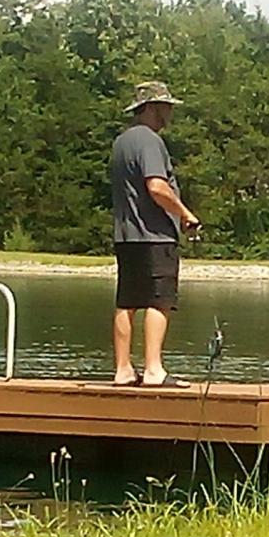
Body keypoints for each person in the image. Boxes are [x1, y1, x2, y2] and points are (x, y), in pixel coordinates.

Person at [110, 81, 200, 388]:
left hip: (126, 235)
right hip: (155, 236)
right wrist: (185, 213)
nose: (170, 112)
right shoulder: (150, 141)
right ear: (150, 108)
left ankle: (122, 370)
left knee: (127, 301)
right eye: (166, 107)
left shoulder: (122, 142)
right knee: (159, 301)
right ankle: (153, 370)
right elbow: (157, 187)